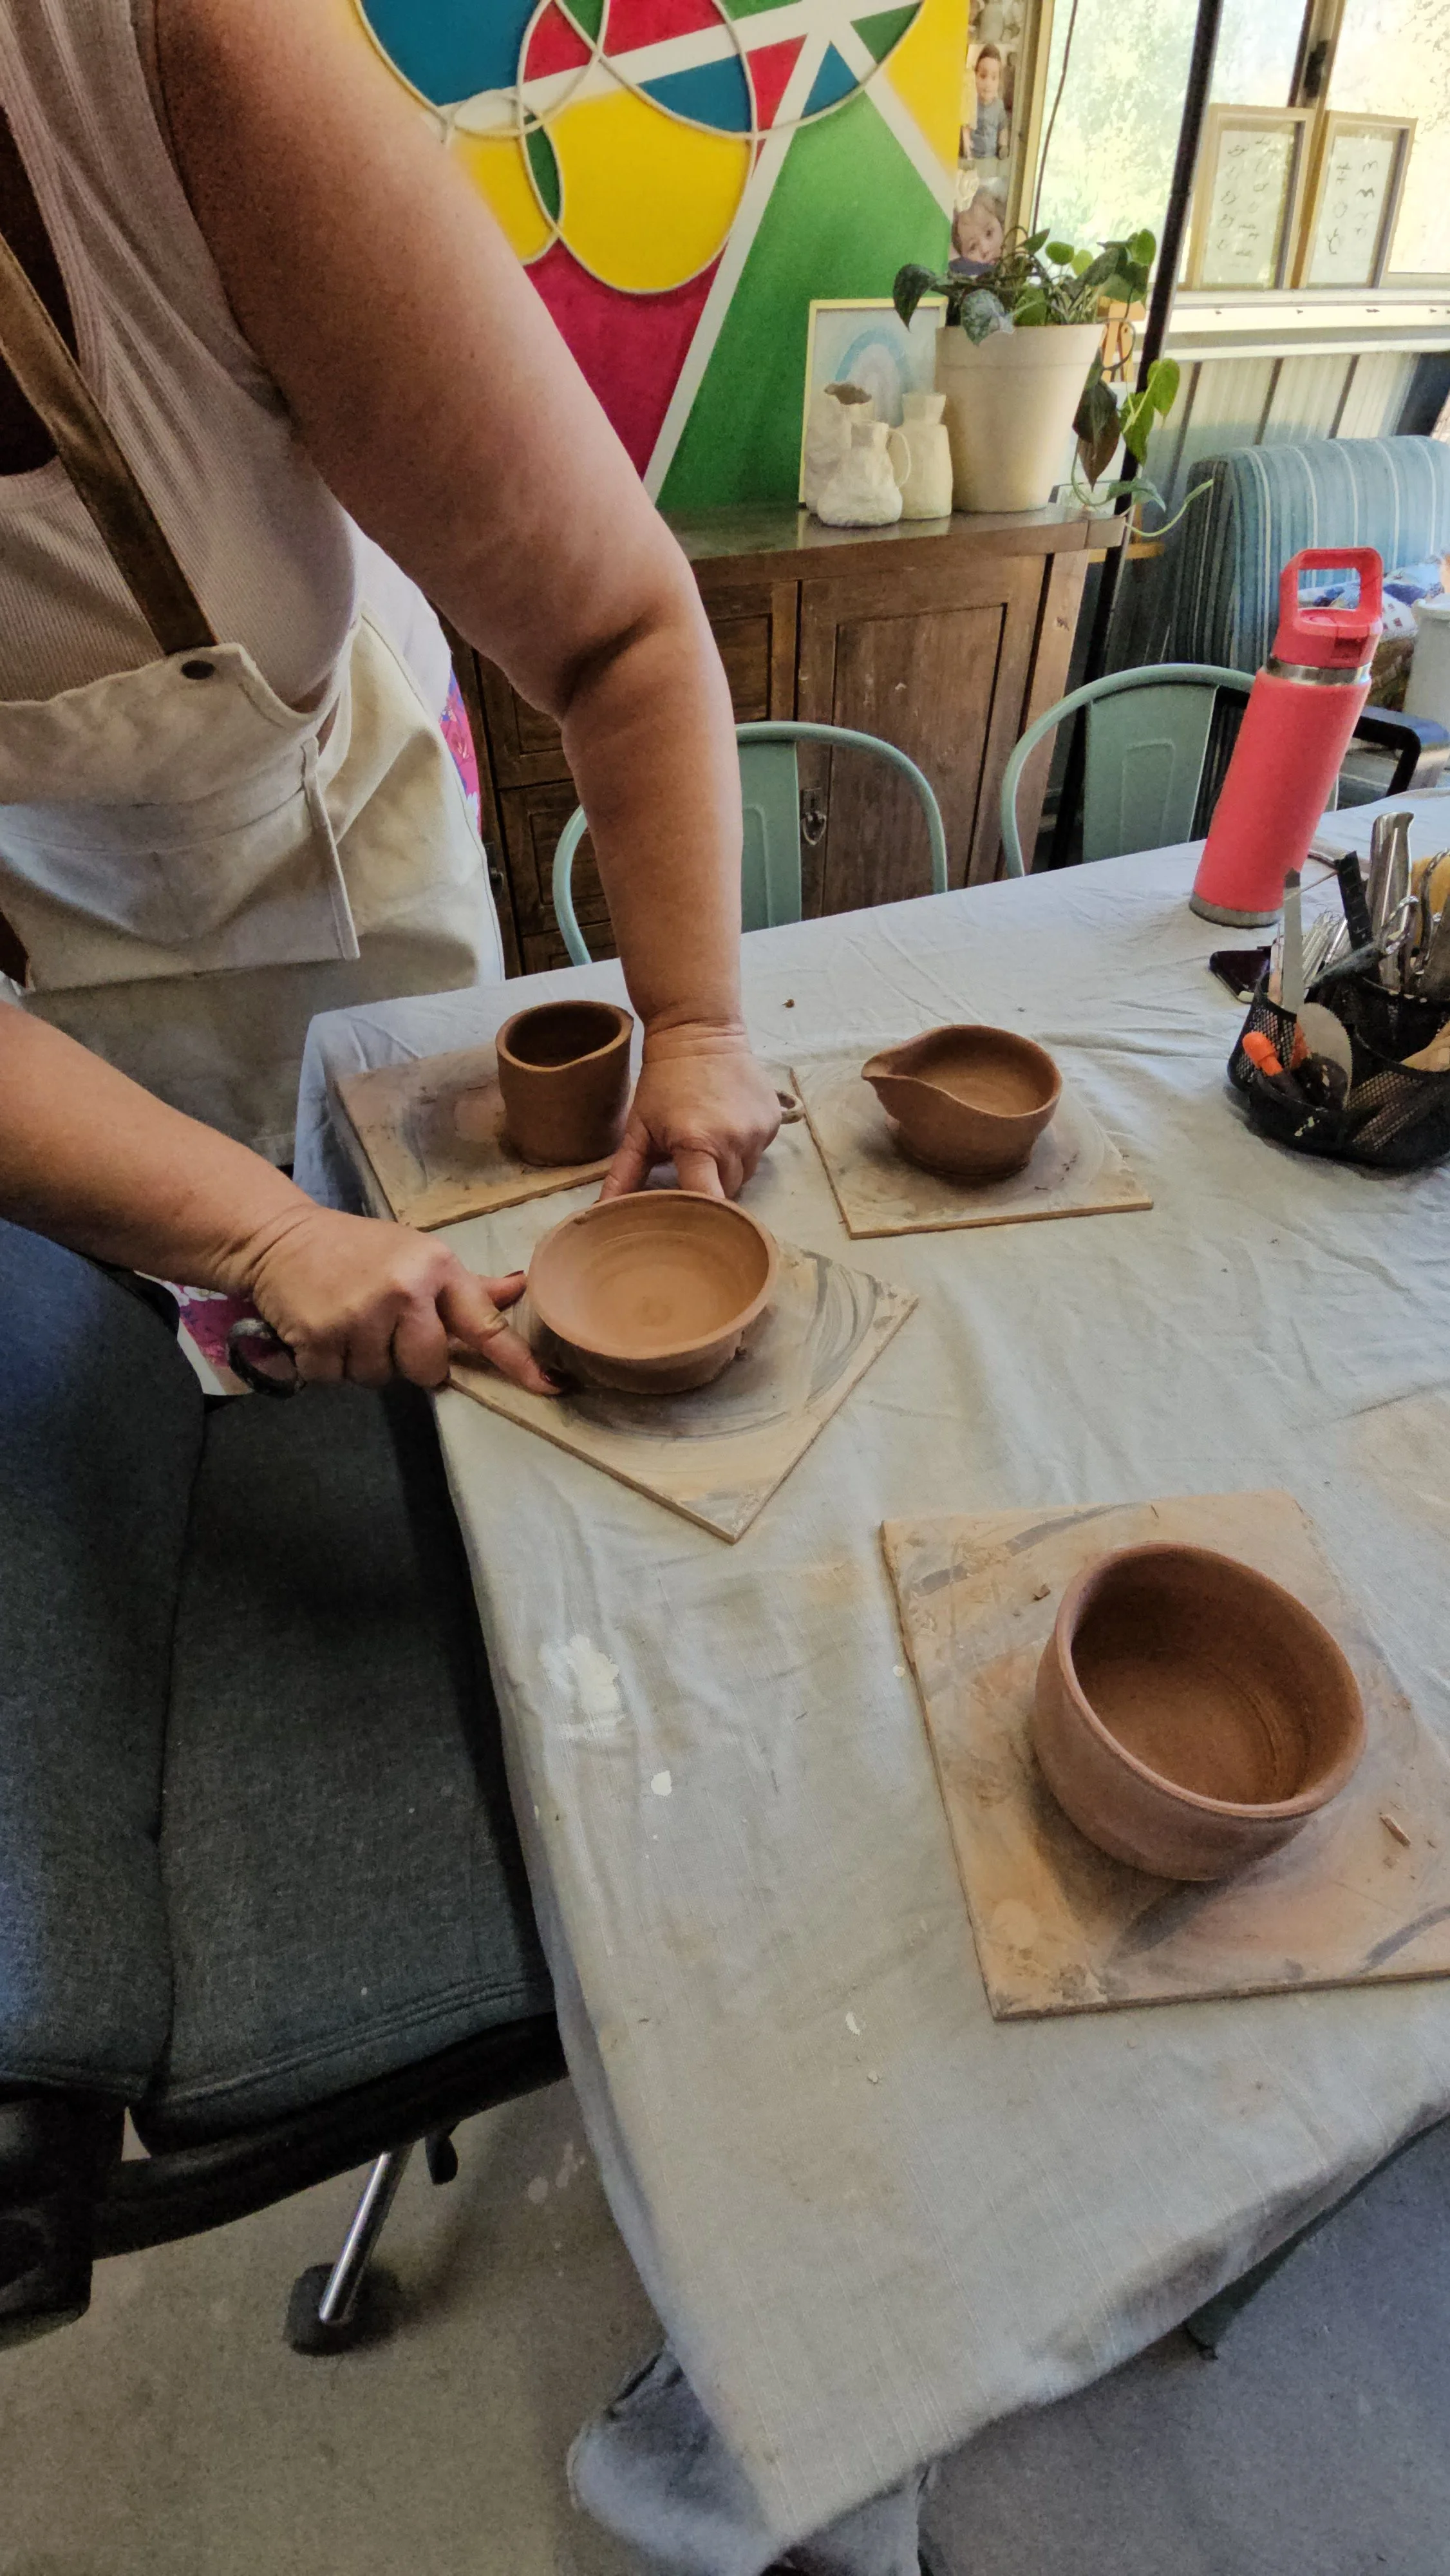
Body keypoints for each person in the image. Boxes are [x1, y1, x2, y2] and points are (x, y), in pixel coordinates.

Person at [0, 0, 779, 1203]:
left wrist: (696, 1030)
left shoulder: (181, 56)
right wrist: (265, 1235)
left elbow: (619, 635)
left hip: (354, 873)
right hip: (52, 1012)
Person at [964, 44, 1009, 164]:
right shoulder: (970, 102)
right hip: (971, 158)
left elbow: (1003, 128)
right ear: (975, 75)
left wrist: (1003, 146)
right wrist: (966, 150)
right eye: (983, 76)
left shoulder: (999, 106)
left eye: (994, 78)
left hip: (991, 159)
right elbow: (965, 128)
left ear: (999, 81)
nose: (988, 83)